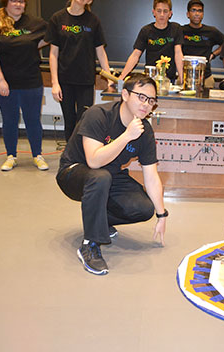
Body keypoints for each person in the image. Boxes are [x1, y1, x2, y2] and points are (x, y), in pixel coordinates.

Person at [56, 73, 168, 275]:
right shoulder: (98, 114)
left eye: (151, 101)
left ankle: (100, 220)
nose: (146, 105)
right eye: (141, 97)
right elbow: (93, 161)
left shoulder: (145, 130)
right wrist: (126, 136)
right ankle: (90, 244)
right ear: (125, 94)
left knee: (143, 208)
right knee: (100, 176)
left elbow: (151, 175)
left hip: (109, 175)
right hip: (73, 172)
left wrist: (162, 215)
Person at [0, 0, 49, 171]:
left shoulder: (35, 23)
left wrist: (33, 45)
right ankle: (11, 156)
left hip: (31, 80)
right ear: (6, 3)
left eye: (22, 1)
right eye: (14, 0)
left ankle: (37, 155)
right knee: (10, 120)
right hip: (6, 83)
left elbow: (50, 37)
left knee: (33, 120)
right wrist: (1, 80)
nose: (18, 4)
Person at [45, 0, 113, 142]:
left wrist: (109, 78)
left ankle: (82, 155)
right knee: (69, 121)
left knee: (84, 120)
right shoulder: (57, 19)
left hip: (86, 80)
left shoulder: (93, 20)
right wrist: (55, 83)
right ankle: (70, 156)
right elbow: (53, 54)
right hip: (64, 80)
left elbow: (101, 52)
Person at [118, 0, 183, 84]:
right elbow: (135, 55)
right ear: (154, 12)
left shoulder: (176, 29)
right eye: (159, 11)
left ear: (170, 13)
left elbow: (178, 53)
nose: (162, 14)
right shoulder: (146, 30)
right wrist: (121, 77)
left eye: (165, 11)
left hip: (169, 79)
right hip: (150, 79)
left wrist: (182, 80)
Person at [181, 0, 224, 88]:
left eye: (199, 11)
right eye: (193, 10)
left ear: (203, 14)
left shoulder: (211, 31)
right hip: (185, 77)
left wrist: (213, 54)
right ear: (188, 14)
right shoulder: (180, 31)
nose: (197, 13)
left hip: (206, 78)